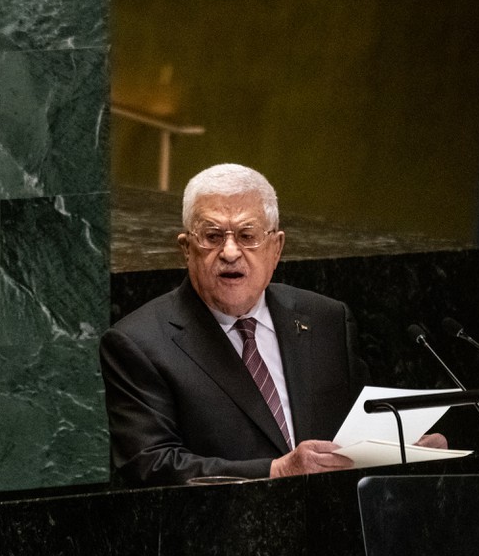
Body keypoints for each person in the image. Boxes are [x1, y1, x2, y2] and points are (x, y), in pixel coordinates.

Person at [100, 163, 444, 486]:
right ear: (187, 249)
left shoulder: (326, 319)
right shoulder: (139, 343)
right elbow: (150, 467)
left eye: (248, 235)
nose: (230, 252)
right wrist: (276, 471)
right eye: (213, 236)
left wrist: (404, 449)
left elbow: (358, 434)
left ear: (276, 248)